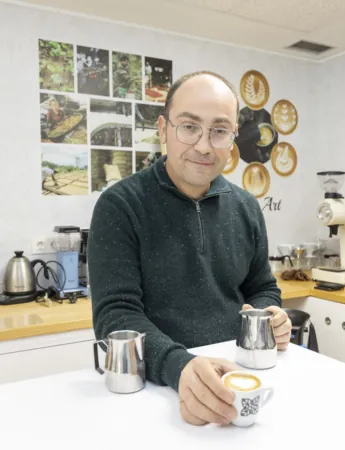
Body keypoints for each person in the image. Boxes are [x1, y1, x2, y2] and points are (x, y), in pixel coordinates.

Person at [88, 71, 291, 427]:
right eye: (189, 126)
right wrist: (179, 366)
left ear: (232, 139)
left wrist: (267, 315)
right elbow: (115, 315)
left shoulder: (245, 207)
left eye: (219, 130)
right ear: (164, 129)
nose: (203, 146)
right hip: (156, 385)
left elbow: (262, 287)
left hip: (236, 377)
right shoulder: (120, 205)